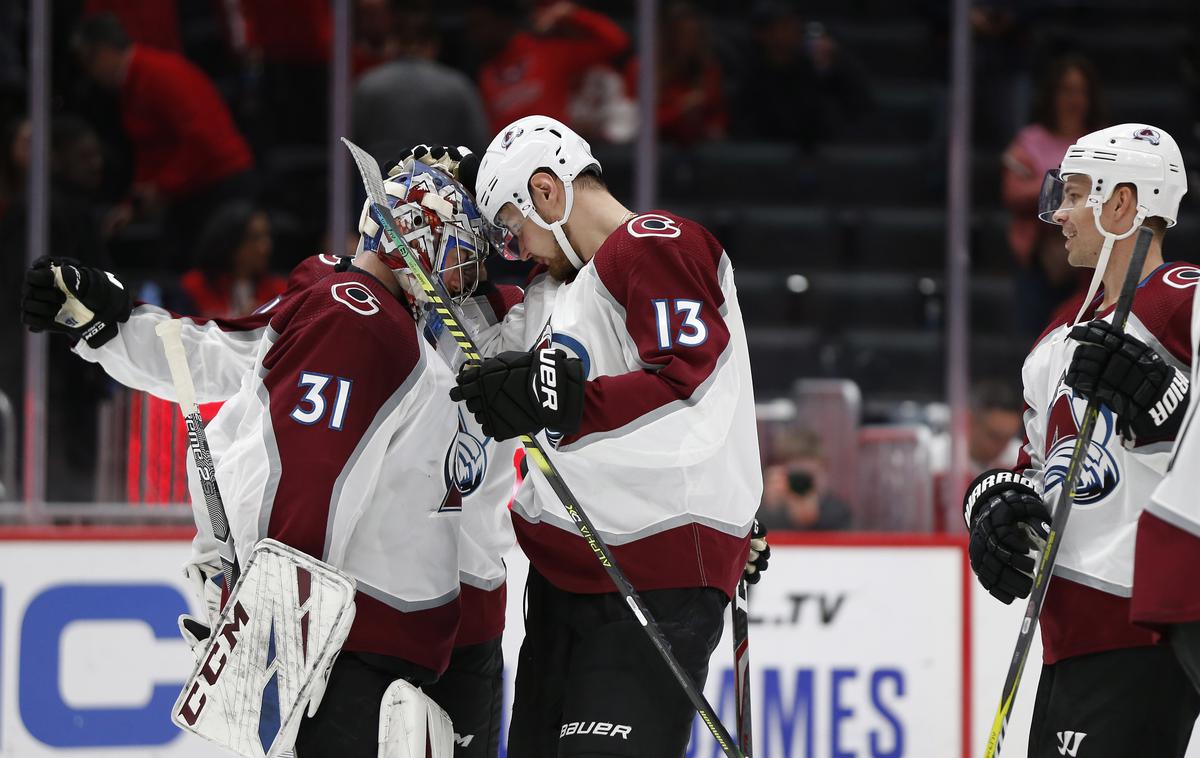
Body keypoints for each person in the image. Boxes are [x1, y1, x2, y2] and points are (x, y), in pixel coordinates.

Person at [19, 164, 501, 757]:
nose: (466, 277)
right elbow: (308, 475)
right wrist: (276, 621)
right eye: (456, 252)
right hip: (352, 649)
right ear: (416, 241)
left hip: (391, 645)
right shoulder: (360, 319)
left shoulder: (391, 322)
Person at [450, 115, 762, 757]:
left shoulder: (652, 243)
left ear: (546, 191)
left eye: (512, 228)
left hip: (650, 574)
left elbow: (691, 382)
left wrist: (567, 402)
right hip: (565, 578)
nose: (518, 248)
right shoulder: (555, 292)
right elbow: (485, 355)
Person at [963, 123, 1200, 757]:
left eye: (1072, 195)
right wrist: (992, 504)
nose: (1058, 214)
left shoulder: (1184, 301)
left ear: (1123, 203)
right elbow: (1037, 464)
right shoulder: (1057, 335)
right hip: (1069, 632)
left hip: (1143, 627)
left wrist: (1171, 412)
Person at [72, 13, 255, 267]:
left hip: (218, 185)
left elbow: (201, 139)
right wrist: (132, 205)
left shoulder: (156, 74)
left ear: (102, 52)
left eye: (89, 64)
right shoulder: (133, 83)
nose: (91, 75)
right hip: (193, 185)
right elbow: (151, 149)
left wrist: (161, 187)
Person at [1002, 54, 1107, 338]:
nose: (1074, 99)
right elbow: (1012, 191)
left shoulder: (1101, 141)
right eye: (1066, 90)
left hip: (1088, 262)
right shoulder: (1030, 140)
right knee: (1034, 338)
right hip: (1038, 258)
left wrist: (1052, 181)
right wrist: (1071, 183)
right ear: (1052, 94)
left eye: (1081, 91)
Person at [469, 1, 629, 133]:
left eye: (480, 25)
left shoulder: (547, 52)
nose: (475, 35)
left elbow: (615, 43)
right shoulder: (486, 74)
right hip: (511, 160)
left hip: (556, 154)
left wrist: (570, 13)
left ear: (502, 21)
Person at [181, 202, 286, 318]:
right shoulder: (196, 287)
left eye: (267, 236)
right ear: (231, 242)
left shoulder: (279, 291)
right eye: (254, 238)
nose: (265, 247)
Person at [758, 427, 853, 531]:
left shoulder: (838, 512)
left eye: (808, 478)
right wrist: (770, 508)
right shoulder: (770, 506)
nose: (802, 485)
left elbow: (842, 542)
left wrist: (815, 518)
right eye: (796, 478)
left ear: (824, 471)